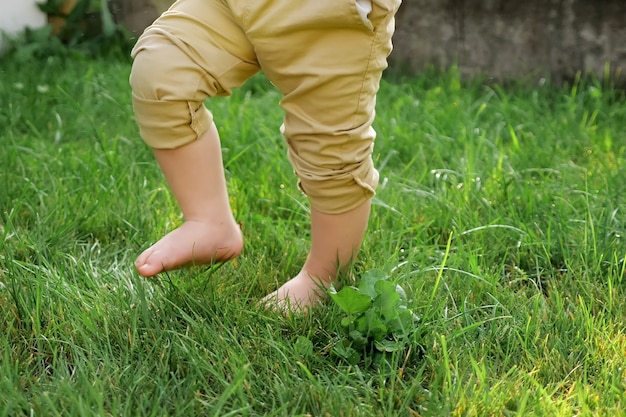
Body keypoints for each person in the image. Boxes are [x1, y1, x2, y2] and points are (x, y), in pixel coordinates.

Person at [129, 0, 401, 310]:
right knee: (162, 69)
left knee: (330, 150)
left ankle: (322, 277)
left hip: (327, 13)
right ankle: (207, 222)